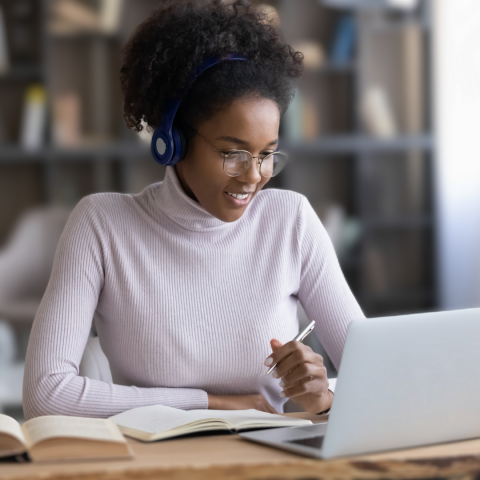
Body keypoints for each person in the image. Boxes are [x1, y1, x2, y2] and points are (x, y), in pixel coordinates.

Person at [23, 0, 364, 420]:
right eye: (232, 154)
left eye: (268, 155)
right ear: (172, 141)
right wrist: (210, 404)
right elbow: (45, 394)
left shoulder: (290, 220)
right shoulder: (102, 225)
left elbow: (377, 378)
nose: (254, 176)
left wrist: (324, 398)